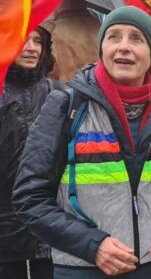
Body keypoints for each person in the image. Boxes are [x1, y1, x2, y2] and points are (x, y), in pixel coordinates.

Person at [12, 6, 151, 278]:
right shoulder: (65, 106)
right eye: (114, 37)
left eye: (136, 38)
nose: (124, 46)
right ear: (102, 48)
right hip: (86, 269)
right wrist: (93, 245)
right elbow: (29, 197)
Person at [1, 27, 62, 279]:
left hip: (49, 220)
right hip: (4, 225)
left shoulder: (59, 93)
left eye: (37, 41)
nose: (31, 48)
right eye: (22, 40)